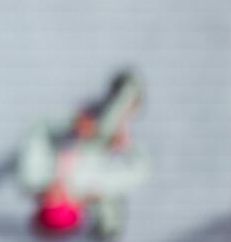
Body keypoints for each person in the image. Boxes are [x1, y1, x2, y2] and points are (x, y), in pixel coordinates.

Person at [17, 70, 149, 239]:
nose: (55, 196)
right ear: (77, 205)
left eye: (49, 202)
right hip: (102, 138)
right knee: (106, 127)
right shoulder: (93, 186)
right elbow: (139, 171)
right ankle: (128, 93)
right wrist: (126, 145)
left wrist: (71, 125)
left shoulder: (33, 177)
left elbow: (36, 133)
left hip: (71, 127)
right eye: (63, 202)